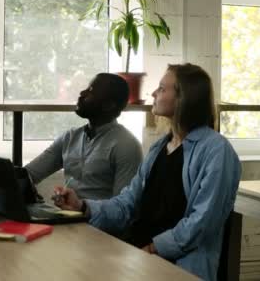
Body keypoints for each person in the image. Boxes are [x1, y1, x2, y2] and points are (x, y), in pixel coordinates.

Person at [54, 64, 241, 281]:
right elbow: (127, 204)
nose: (153, 93)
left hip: (176, 266)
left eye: (162, 88)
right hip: (140, 255)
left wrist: (153, 249)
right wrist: (82, 206)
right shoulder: (160, 147)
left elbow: (201, 224)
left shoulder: (217, 151)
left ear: (184, 98)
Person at [24, 73, 142, 200]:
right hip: (65, 216)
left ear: (109, 105)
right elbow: (28, 175)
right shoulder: (69, 137)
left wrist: (83, 208)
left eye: (90, 91)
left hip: (98, 219)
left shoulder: (126, 146)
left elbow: (123, 206)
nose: (82, 93)